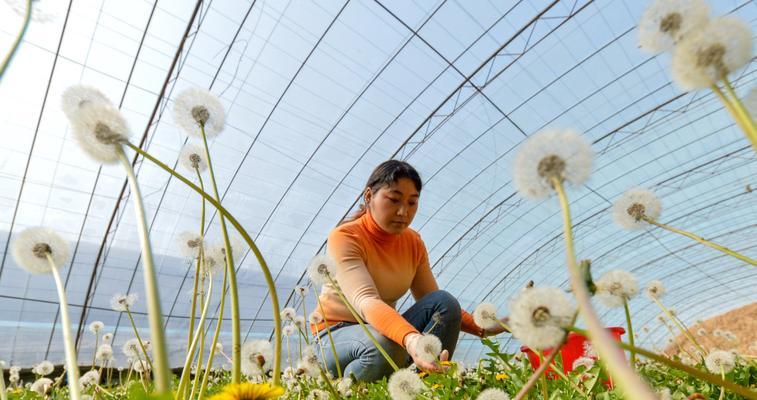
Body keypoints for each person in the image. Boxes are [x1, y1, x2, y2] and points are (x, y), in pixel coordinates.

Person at [312, 160, 508, 381]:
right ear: (369, 197)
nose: (403, 211)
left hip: (381, 332)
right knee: (386, 345)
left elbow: (434, 301)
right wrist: (412, 340)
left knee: (444, 302)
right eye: (394, 200)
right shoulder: (346, 237)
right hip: (333, 336)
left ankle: (427, 382)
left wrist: (486, 327)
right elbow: (366, 300)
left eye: (412, 202)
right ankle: (348, 390)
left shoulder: (413, 242)